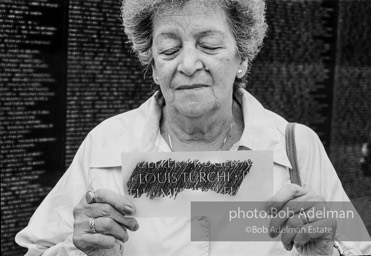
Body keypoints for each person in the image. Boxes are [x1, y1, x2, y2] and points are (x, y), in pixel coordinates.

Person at [16, 0, 371, 255]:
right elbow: (37, 249)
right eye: (169, 49)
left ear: (242, 58)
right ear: (153, 67)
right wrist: (76, 250)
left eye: (209, 45)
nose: (188, 64)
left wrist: (328, 250)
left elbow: (356, 249)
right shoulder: (106, 144)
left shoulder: (297, 147)